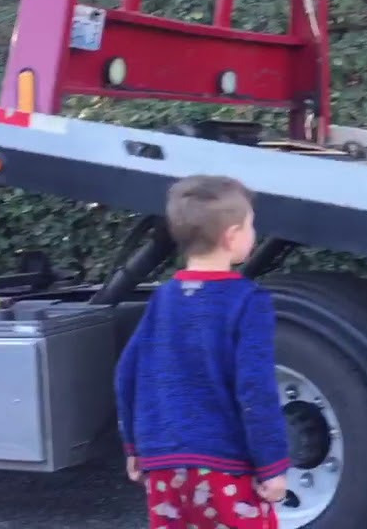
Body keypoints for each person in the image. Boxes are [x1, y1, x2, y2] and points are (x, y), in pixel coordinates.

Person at [115, 174, 289, 529]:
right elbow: (255, 388)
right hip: (225, 465)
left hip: (163, 464)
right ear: (231, 237)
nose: (253, 234)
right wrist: (271, 465)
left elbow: (127, 373)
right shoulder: (247, 301)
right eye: (250, 226)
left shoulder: (163, 298)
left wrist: (134, 446)